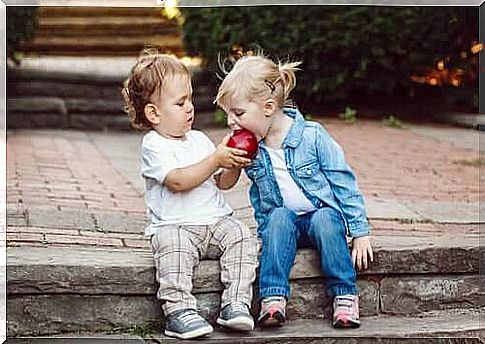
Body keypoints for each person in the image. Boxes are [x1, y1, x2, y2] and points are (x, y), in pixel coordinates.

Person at [215, 54, 374, 329]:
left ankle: (345, 295)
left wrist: (360, 232)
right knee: (277, 217)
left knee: (326, 219)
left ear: (267, 107)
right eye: (228, 114)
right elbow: (225, 183)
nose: (231, 122)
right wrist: (228, 161)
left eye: (238, 113)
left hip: (321, 222)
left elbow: (344, 182)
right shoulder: (251, 148)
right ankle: (273, 298)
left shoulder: (312, 136)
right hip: (284, 226)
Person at [122, 49, 259, 339]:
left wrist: (232, 163)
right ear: (153, 113)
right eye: (180, 102)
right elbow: (177, 181)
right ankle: (179, 310)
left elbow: (222, 183)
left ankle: (235, 303)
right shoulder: (154, 145)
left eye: (190, 99)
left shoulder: (198, 139)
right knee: (172, 247)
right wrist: (215, 160)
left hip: (215, 222)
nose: (190, 108)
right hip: (177, 226)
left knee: (243, 236)